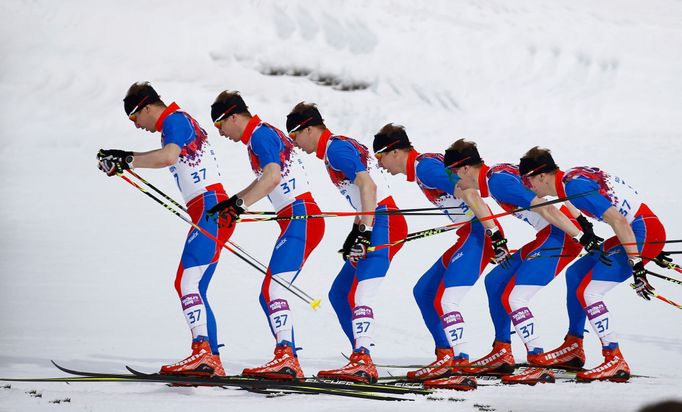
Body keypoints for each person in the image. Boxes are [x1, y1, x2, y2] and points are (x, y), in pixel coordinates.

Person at [96, 81, 232, 376]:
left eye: (134, 117)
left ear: (147, 107)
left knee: (185, 283)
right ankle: (211, 358)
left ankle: (203, 353)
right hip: (211, 209)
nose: (136, 125)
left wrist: (127, 159)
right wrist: (124, 160)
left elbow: (169, 157)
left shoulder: (174, 120)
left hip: (210, 208)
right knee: (196, 286)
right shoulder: (176, 122)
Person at [442, 139, 598, 385]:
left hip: (559, 236)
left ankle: (538, 361)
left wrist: (581, 234)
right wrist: (583, 226)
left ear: (465, 169)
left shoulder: (499, 182)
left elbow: (547, 209)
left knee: (515, 297)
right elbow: (557, 194)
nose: (455, 182)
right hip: (550, 235)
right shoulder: (496, 176)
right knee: (496, 281)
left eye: (453, 175)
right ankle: (502, 351)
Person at [372, 125, 509, 391]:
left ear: (396, 151)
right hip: (469, 235)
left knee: (447, 300)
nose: (380, 164)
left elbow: (469, 192)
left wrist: (495, 236)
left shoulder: (426, 168)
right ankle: (446, 356)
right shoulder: (424, 167)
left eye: (381, 157)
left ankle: (459, 364)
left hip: (478, 235)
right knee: (424, 291)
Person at [520, 147, 667, 382]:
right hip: (638, 232)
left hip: (640, 232)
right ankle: (573, 346)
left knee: (591, 292)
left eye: (527, 180)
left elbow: (619, 219)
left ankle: (614, 359)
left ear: (541, 176)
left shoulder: (574, 186)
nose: (527, 187)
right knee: (576, 274)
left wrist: (638, 263)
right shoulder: (571, 181)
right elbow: (621, 208)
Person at [285, 103, 408, 384]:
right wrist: (356, 231)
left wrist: (364, 232)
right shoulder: (335, 149)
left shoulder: (336, 149)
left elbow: (369, 187)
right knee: (340, 293)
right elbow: (362, 192)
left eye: (294, 134)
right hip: (379, 220)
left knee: (360, 293)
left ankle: (363, 360)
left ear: (309, 129)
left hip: (383, 221)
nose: (294, 142)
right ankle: (359, 355)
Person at [209, 91, 325, 380]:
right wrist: (234, 201)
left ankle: (287, 359)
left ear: (234, 116)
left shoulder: (260, 135)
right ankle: (287, 357)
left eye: (220, 124)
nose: (220, 133)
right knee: (270, 293)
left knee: (272, 291)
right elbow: (266, 178)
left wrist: (239, 205)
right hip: (297, 219)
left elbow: (272, 177)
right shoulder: (261, 135)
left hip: (301, 218)